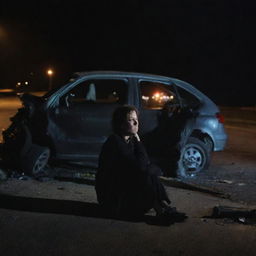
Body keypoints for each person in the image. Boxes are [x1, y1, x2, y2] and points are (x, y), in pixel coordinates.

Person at [95, 105, 184, 221]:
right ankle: (160, 209)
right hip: (113, 200)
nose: (136, 123)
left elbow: (144, 162)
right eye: (131, 120)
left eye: (136, 119)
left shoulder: (128, 141)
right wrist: (138, 141)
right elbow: (140, 166)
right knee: (145, 173)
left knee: (148, 172)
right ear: (121, 124)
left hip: (123, 193)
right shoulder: (115, 142)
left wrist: (137, 141)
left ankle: (162, 207)